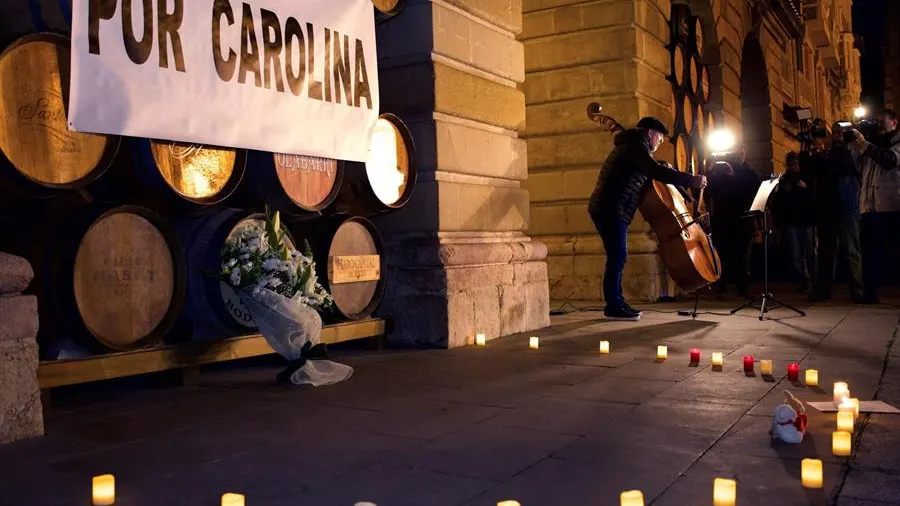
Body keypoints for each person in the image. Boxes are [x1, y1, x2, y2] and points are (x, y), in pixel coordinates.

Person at [588, 117, 707, 321]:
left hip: (613, 209)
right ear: (651, 133)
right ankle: (614, 306)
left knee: (617, 258)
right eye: (660, 137)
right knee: (617, 258)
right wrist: (692, 180)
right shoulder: (635, 148)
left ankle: (616, 302)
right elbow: (656, 171)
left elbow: (655, 169)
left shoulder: (634, 148)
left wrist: (683, 190)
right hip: (610, 209)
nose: (660, 142)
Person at [808, 122, 864, 302]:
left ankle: (858, 290)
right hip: (828, 210)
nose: (839, 134)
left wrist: (853, 144)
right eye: (836, 131)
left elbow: (854, 170)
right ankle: (823, 289)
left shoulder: (854, 152)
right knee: (826, 252)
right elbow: (814, 174)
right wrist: (813, 150)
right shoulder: (826, 154)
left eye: (843, 131)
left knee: (851, 251)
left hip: (848, 208)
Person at [851, 109, 900, 304]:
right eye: (876, 121)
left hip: (892, 207)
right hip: (870, 207)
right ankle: (870, 293)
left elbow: (889, 161)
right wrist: (853, 147)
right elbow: (857, 170)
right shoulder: (872, 146)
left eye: (882, 121)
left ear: (894, 122)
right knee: (870, 253)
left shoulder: (895, 144)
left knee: (895, 252)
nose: (878, 124)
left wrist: (865, 145)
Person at [706, 145, 761, 298]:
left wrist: (733, 177)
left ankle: (742, 288)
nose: (739, 155)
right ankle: (721, 287)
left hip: (743, 219)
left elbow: (754, 190)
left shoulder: (749, 173)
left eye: (742, 152)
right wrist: (710, 170)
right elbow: (710, 191)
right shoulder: (719, 172)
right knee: (722, 254)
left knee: (742, 255)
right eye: (736, 152)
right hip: (723, 219)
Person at [774, 152, 817, 292]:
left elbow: (814, 197)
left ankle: (814, 279)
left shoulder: (807, 176)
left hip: (807, 221)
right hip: (792, 222)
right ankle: (803, 280)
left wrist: (806, 188)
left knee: (810, 252)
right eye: (792, 164)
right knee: (796, 254)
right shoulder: (785, 180)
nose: (795, 167)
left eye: (797, 164)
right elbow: (779, 202)